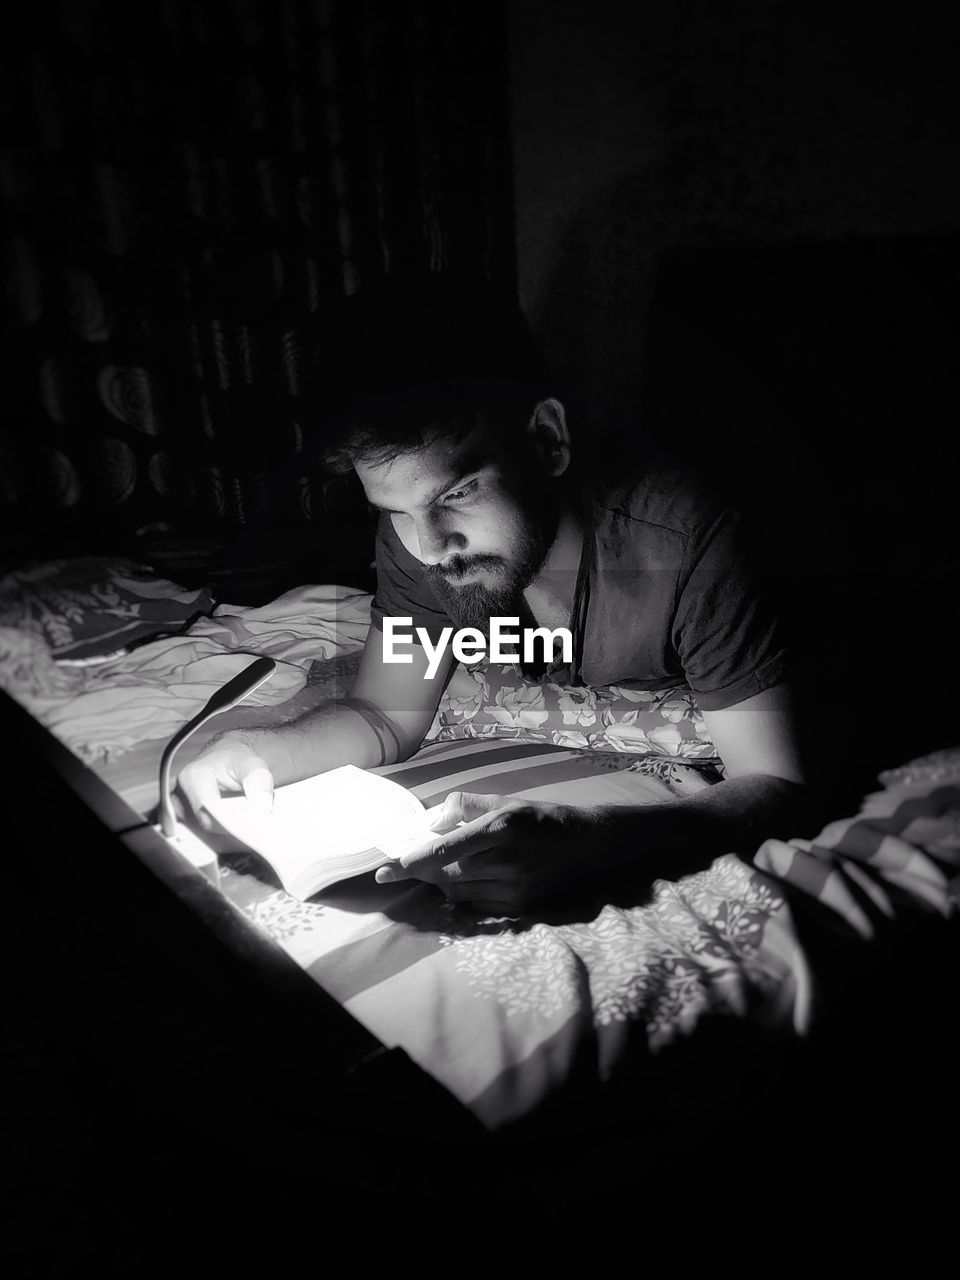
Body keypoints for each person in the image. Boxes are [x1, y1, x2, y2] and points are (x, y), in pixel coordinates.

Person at [178, 292, 815, 916]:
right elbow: (384, 715)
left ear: (546, 440)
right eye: (395, 512)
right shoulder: (416, 540)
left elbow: (777, 785)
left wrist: (594, 839)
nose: (430, 548)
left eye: (457, 493)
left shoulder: (686, 535)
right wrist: (254, 752)